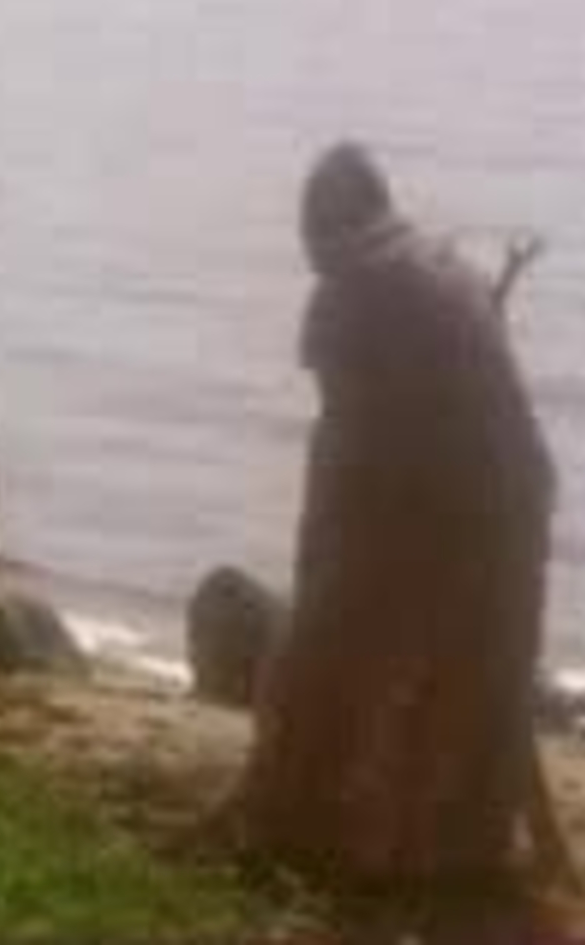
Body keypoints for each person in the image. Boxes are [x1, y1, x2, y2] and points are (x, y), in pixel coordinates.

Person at [230, 141, 558, 898]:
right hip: (518, 493)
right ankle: (464, 849)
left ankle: (297, 828)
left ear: (324, 226)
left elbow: (345, 445)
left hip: (440, 497)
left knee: (325, 651)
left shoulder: (349, 290)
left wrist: (324, 571)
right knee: (479, 674)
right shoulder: (450, 266)